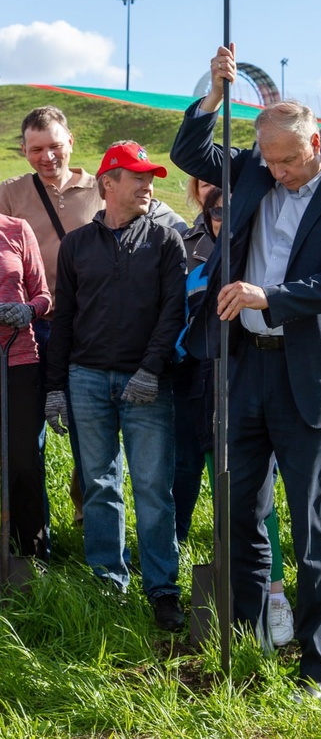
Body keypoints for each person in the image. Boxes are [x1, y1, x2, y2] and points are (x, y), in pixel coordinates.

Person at [170, 42, 321, 700]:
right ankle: (249, 642)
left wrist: (272, 298)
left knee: (315, 527)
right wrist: (213, 93)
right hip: (243, 372)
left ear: (316, 141)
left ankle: (318, 667)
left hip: (308, 376)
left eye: (292, 159)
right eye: (272, 159)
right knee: (240, 514)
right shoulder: (254, 170)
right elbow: (190, 154)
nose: (282, 171)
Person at [44, 141, 187, 631]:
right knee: (100, 484)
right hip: (85, 378)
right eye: (138, 177)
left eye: (150, 178)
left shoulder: (167, 241)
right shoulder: (78, 245)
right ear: (109, 183)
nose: (148, 186)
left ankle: (163, 586)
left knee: (152, 486)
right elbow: (64, 319)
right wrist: (55, 386)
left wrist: (150, 369)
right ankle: (109, 578)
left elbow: (173, 313)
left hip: (145, 381)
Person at [175, 185, 295, 646]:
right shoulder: (197, 273)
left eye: (233, 209)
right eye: (217, 211)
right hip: (210, 396)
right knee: (229, 503)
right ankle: (237, 597)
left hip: (269, 392)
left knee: (263, 503)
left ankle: (277, 592)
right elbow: (183, 334)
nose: (225, 217)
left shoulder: (267, 270)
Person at [0, 106, 105, 527]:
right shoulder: (10, 193)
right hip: (28, 325)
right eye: (36, 148)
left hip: (87, 326)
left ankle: (86, 513)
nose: (47, 157)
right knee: (28, 433)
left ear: (71, 143)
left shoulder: (100, 189)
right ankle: (32, 526)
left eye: (55, 146)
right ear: (24, 150)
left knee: (89, 428)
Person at [0, 215, 51, 559]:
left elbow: (44, 295)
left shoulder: (16, 228)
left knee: (23, 464)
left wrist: (28, 310)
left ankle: (30, 557)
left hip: (18, 361)